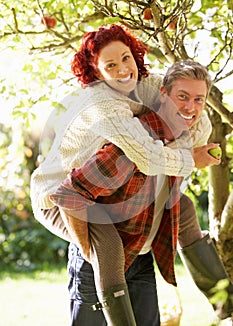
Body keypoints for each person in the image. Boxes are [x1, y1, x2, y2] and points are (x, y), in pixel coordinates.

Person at [30, 25, 226, 325]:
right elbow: (144, 158)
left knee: (182, 207)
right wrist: (189, 159)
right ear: (97, 73)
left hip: (132, 238)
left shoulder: (148, 86)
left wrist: (194, 124)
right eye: (111, 65)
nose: (123, 70)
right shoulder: (110, 114)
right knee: (107, 242)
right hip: (58, 196)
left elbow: (186, 98)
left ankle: (227, 308)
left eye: (126, 59)